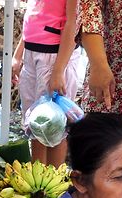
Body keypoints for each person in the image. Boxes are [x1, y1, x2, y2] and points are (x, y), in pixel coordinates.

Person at [11, 0, 84, 166]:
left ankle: (52, 186)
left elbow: (73, 22)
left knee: (54, 126)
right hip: (32, 52)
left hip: (54, 57)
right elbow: (35, 15)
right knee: (35, 125)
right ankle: (38, 181)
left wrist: (58, 70)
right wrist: (18, 54)